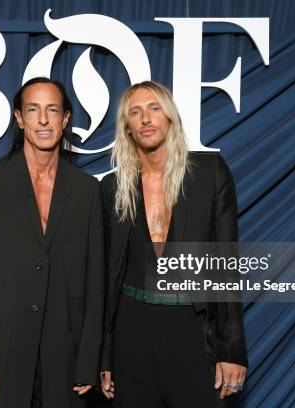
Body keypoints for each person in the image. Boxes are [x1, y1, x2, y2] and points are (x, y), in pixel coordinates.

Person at [99, 81, 248, 407]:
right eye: (135, 112)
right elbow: (106, 279)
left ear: (170, 117)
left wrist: (232, 349)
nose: (146, 119)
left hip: (192, 328)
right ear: (127, 127)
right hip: (132, 329)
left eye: (154, 108)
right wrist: (105, 356)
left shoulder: (209, 173)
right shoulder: (112, 188)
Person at [0, 77, 104, 407]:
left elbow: (97, 283)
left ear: (65, 119)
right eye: (33, 110)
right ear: (19, 118)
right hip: (1, 362)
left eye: (52, 110)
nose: (43, 120)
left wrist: (88, 361)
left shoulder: (87, 191)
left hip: (66, 365)